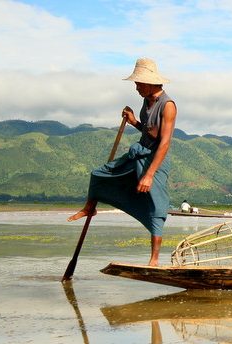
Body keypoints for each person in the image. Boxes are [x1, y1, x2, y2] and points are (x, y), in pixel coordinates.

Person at [68, 57, 177, 267]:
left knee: (156, 206)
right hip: (138, 153)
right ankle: (90, 207)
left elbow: (163, 143)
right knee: (99, 174)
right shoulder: (147, 101)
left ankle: (154, 260)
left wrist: (149, 175)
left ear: (149, 82)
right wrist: (134, 120)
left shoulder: (168, 105)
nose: (136, 88)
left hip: (155, 161)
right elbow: (149, 132)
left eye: (138, 84)